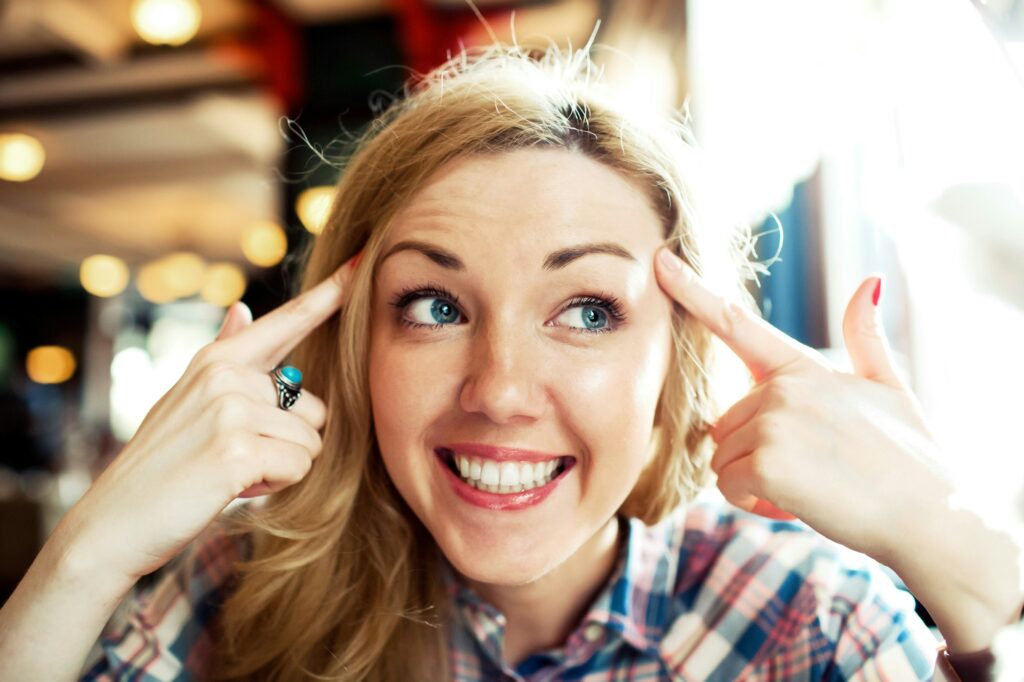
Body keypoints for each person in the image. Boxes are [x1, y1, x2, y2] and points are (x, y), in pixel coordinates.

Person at [1, 41, 1021, 682]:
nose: (495, 391)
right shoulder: (238, 589)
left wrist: (972, 565)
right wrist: (84, 553)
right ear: (356, 344)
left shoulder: (809, 623)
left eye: (583, 310)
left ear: (676, 354)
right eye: (434, 305)